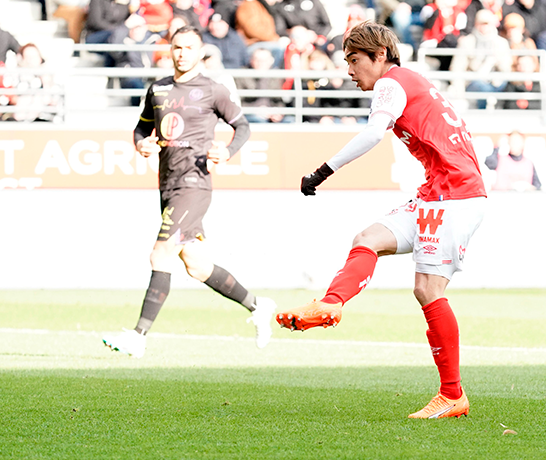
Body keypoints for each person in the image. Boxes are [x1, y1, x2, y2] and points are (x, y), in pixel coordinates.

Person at [276, 21, 487, 419]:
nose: (350, 71)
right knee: (369, 237)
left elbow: (374, 134)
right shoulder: (412, 81)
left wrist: (321, 172)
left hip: (454, 195)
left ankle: (452, 395)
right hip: (438, 192)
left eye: (355, 60)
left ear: (380, 56)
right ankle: (330, 304)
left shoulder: (391, 82)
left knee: (428, 289)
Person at [102, 25, 276, 358]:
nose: (181, 53)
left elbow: (243, 126)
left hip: (194, 184)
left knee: (159, 254)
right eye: (176, 47)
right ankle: (258, 305)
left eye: (188, 48)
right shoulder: (158, 89)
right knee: (196, 266)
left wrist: (226, 151)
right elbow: (141, 127)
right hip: (167, 183)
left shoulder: (213, 90)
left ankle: (138, 336)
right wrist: (141, 144)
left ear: (200, 52)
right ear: (171, 51)